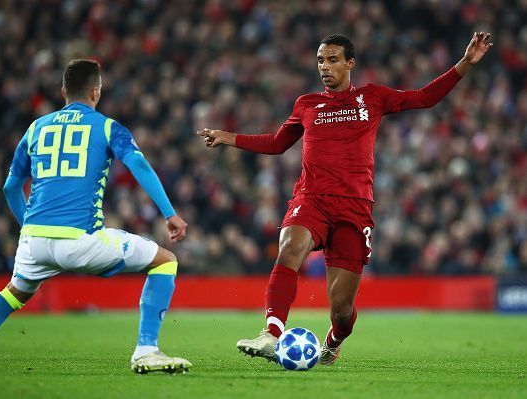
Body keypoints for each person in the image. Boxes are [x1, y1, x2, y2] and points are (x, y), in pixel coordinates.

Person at [198, 32, 492, 365]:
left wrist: (466, 62)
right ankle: (271, 333)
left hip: (355, 208)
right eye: (321, 60)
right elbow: (278, 143)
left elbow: (425, 97)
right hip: (312, 198)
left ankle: (334, 341)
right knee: (289, 246)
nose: (325, 67)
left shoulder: (374, 97)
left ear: (350, 63)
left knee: (341, 309)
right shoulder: (306, 104)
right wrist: (230, 138)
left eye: (333, 59)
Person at [0, 59, 192, 374]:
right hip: (80, 240)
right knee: (165, 260)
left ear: (62, 91)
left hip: (34, 241)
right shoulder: (108, 127)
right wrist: (169, 213)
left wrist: (28, 227)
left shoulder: (36, 128)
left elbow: (10, 187)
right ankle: (146, 349)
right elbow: (138, 166)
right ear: (95, 92)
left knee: (13, 293)